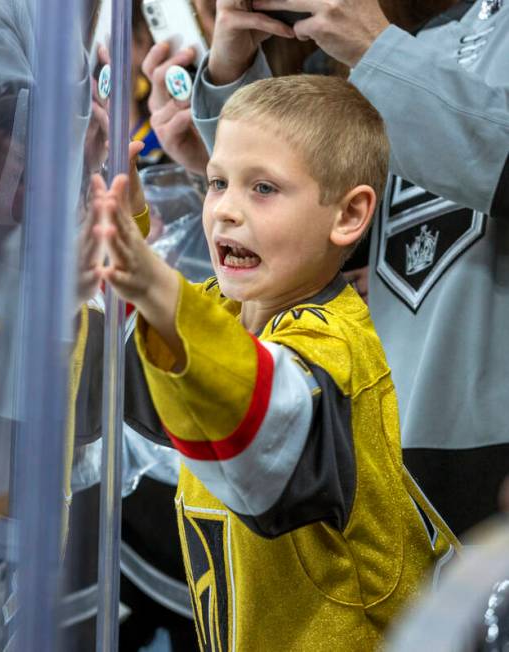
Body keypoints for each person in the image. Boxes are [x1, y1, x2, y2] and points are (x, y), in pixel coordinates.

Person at [84, 74, 457, 649]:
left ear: (349, 216)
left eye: (262, 188)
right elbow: (140, 369)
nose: (226, 211)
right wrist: (121, 226)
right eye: (216, 183)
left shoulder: (335, 346)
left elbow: (263, 426)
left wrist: (158, 289)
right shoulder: (224, 312)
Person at [176, 0, 509, 536]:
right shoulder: (412, 34)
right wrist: (232, 74)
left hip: (483, 449)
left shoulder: (392, 40)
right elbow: (302, 222)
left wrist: (377, 50)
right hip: (378, 437)